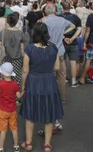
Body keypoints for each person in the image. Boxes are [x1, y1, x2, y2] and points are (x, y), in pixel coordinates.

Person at [20, 23, 63, 152]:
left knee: (30, 113)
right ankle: (47, 145)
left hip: (33, 81)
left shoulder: (30, 49)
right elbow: (57, 67)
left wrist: (22, 87)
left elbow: (25, 71)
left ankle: (28, 143)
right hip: (49, 81)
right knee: (49, 114)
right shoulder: (53, 48)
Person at [41, 3, 76, 103]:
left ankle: (48, 97)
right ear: (55, 11)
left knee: (47, 74)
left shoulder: (43, 21)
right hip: (59, 51)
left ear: (45, 11)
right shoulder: (62, 20)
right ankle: (62, 98)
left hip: (47, 51)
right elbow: (73, 26)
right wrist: (63, 33)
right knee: (61, 75)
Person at [0, 62, 22, 152]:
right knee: (14, 129)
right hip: (12, 110)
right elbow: (18, 96)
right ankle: (16, 146)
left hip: (2, 110)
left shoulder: (0, 84)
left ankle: (1, 148)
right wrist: (23, 92)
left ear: (2, 74)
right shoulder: (15, 84)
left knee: (3, 130)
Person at [0, 13, 29, 93]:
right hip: (17, 57)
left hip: (7, 56)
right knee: (17, 78)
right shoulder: (19, 33)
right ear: (16, 22)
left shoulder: (4, 32)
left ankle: (6, 93)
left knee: (6, 76)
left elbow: (0, 42)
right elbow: (25, 42)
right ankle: (16, 97)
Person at [61, 1, 82, 88]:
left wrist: (64, 38)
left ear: (62, 8)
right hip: (73, 42)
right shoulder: (76, 18)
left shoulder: (59, 17)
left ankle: (64, 78)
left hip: (62, 42)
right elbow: (79, 30)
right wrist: (72, 38)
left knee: (63, 61)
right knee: (73, 62)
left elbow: (58, 30)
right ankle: (73, 81)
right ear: (70, 8)